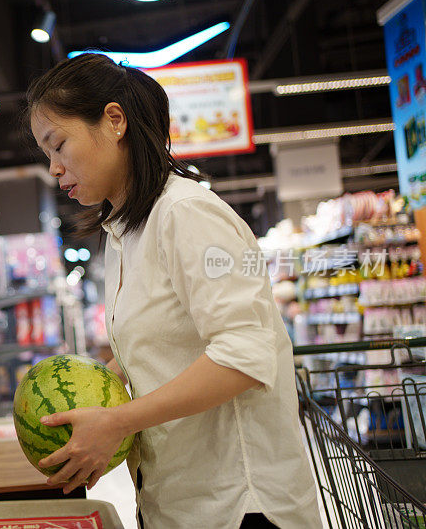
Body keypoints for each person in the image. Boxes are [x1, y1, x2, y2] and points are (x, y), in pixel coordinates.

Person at [27, 53, 320, 528]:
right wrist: (100, 389)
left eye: (59, 145)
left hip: (238, 505)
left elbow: (244, 354)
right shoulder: (124, 232)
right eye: (48, 156)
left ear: (114, 120)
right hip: (178, 501)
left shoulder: (186, 214)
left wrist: (118, 422)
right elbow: (162, 338)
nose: (55, 168)